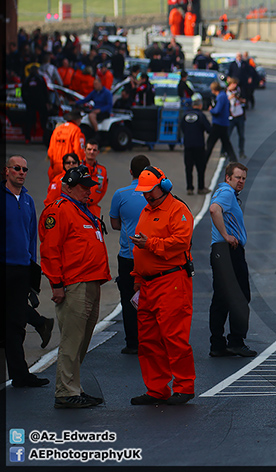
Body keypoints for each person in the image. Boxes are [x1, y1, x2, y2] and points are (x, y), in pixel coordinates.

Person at [39, 165, 111, 408]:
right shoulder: (59, 211)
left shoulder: (83, 210)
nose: (88, 191)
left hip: (91, 281)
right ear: (68, 187)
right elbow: (50, 250)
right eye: (83, 187)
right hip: (75, 283)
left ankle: (73, 386)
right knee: (72, 339)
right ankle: (65, 391)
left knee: (82, 339)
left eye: (89, 187)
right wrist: (56, 284)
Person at [130, 166, 195, 406]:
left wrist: (151, 244)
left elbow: (180, 242)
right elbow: (140, 247)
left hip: (171, 282)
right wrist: (137, 279)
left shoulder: (178, 210)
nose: (146, 195)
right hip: (147, 285)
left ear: (163, 187)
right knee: (148, 340)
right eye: (144, 192)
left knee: (174, 337)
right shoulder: (147, 211)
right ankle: (156, 388)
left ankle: (184, 386)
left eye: (150, 190)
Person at [4, 156, 52, 388]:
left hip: (22, 268)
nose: (21, 172)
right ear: (7, 171)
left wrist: (33, 267)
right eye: (17, 168)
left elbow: (33, 236)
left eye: (24, 169)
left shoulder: (28, 201)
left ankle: (20, 375)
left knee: (15, 323)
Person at [208, 162, 257, 358]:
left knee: (221, 298)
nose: (241, 181)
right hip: (228, 251)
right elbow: (213, 209)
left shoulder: (227, 193)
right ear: (228, 177)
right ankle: (236, 341)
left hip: (222, 252)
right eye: (237, 177)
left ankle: (218, 344)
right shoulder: (227, 193)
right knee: (241, 296)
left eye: (244, 178)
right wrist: (226, 235)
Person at [109, 155, 151, 355]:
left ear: (130, 172)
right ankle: (150, 340)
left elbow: (115, 224)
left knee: (128, 299)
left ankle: (132, 342)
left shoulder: (120, 194)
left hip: (128, 255)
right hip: (150, 254)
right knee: (151, 298)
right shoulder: (153, 193)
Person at [180, 93, 212, 195]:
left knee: (188, 167)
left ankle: (189, 188)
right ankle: (201, 187)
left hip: (188, 145)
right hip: (199, 145)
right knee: (200, 167)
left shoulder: (185, 115)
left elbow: (182, 128)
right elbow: (209, 129)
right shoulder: (201, 116)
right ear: (200, 105)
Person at [46, 110, 85, 181]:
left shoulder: (57, 129)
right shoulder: (76, 130)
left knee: (56, 188)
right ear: (77, 120)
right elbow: (79, 151)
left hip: (56, 165)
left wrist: (52, 165)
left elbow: (50, 151)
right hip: (69, 166)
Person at [205, 81, 235, 164]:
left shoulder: (220, 97)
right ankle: (233, 159)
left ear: (214, 89)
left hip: (218, 123)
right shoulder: (223, 96)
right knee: (226, 143)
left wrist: (211, 110)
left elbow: (217, 110)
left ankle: (204, 159)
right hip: (224, 123)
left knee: (210, 142)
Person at [21, 65, 50, 145]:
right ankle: (43, 139)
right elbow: (45, 92)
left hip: (32, 104)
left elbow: (23, 92)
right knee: (42, 121)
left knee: (31, 121)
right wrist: (46, 102)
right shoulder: (38, 79)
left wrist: (26, 101)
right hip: (39, 104)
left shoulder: (28, 80)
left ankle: (28, 138)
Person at [81, 139, 108, 217]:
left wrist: (95, 200)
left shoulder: (102, 170)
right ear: (84, 150)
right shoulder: (77, 167)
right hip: (78, 206)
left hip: (94, 208)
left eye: (94, 150)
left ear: (98, 152)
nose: (91, 152)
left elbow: (103, 188)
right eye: (89, 149)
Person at [226, 77, 246, 160]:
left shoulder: (239, 91)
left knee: (241, 135)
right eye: (233, 84)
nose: (235, 86)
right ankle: (224, 152)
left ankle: (241, 151)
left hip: (239, 115)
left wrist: (238, 98)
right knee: (227, 136)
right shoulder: (225, 92)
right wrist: (230, 97)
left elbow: (244, 100)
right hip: (231, 116)